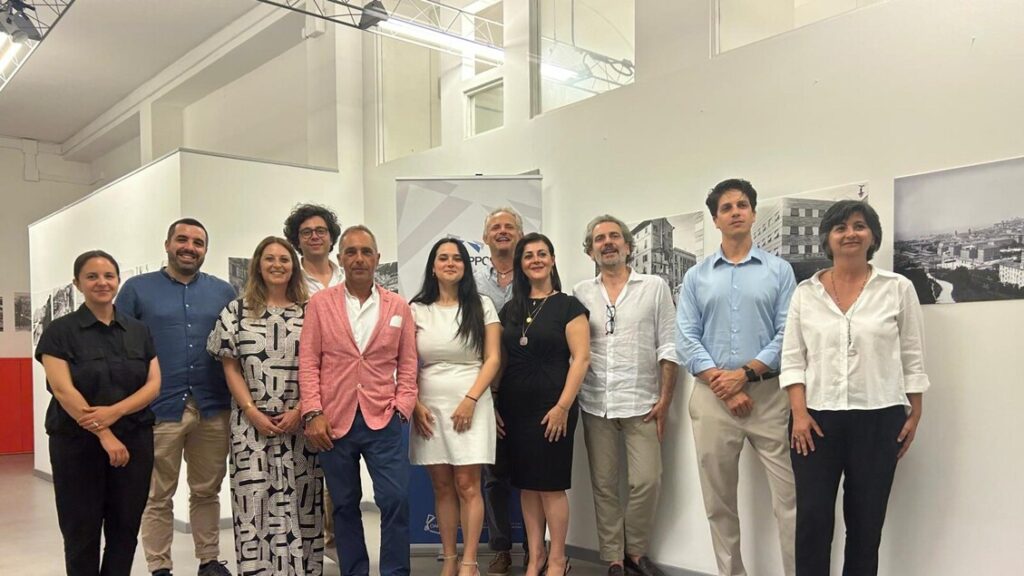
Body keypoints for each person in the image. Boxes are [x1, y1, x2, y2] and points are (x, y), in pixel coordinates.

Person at [781, 200, 929, 576]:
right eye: (840, 227)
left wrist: (915, 412)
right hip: (814, 422)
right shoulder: (805, 293)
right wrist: (799, 414)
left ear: (873, 236)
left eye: (859, 226)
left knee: (866, 525)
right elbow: (793, 359)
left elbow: (912, 355)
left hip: (879, 418)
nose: (850, 233)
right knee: (812, 522)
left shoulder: (897, 288)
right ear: (827, 239)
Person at [676, 179, 797, 576]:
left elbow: (788, 333)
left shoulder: (779, 271)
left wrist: (745, 374)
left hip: (770, 397)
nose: (735, 212)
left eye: (742, 205)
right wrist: (724, 385)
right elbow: (686, 338)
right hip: (712, 401)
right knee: (719, 503)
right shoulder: (696, 276)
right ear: (716, 219)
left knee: (790, 502)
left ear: (753, 213)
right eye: (726, 208)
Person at [117, 218, 237, 576]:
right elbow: (120, 347)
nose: (189, 247)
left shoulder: (223, 292)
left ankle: (209, 561)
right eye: (182, 239)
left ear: (205, 250)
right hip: (159, 408)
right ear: (168, 244)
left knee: (207, 490)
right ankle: (160, 567)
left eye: (198, 242)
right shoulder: (137, 290)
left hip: (213, 407)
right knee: (157, 494)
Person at [299, 225, 418, 576]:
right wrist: (313, 412)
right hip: (333, 421)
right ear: (340, 258)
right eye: (351, 252)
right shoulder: (320, 304)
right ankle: (354, 571)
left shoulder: (398, 306)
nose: (359, 258)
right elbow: (309, 361)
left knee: (395, 499)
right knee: (344, 504)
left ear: (377, 258)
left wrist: (402, 407)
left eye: (366, 252)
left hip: (383, 419)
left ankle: (395, 572)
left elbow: (408, 363)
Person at [36, 250, 161, 576]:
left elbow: (153, 385)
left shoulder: (138, 330)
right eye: (92, 276)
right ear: (77, 283)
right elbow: (63, 390)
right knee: (81, 531)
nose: (102, 282)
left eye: (108, 276)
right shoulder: (59, 331)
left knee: (125, 530)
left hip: (134, 441)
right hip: (77, 444)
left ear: (118, 281)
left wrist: (114, 413)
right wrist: (103, 432)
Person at [207, 236, 323, 575]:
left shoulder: (311, 311)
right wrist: (251, 411)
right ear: (258, 264)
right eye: (270, 258)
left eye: (284, 259)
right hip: (250, 426)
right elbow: (230, 366)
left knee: (304, 505)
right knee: (254, 505)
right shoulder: (236, 311)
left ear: (294, 267)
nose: (277, 265)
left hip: (300, 424)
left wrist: (300, 410)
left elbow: (323, 365)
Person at [572, 216, 677, 576]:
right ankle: (614, 558)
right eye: (599, 238)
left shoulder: (654, 287)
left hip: (642, 401)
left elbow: (669, 346)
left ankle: (635, 550)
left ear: (628, 246)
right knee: (603, 484)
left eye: (614, 236)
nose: (607, 242)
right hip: (595, 401)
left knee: (647, 480)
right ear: (591, 251)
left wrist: (665, 400)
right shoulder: (580, 293)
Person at [498, 232, 590, 576]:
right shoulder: (511, 309)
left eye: (542, 254)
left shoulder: (569, 306)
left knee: (550, 486)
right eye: (528, 255)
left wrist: (563, 406)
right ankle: (536, 557)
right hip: (514, 409)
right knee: (527, 485)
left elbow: (581, 359)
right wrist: (493, 403)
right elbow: (500, 360)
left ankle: (557, 559)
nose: (535, 260)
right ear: (520, 265)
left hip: (554, 408)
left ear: (552, 260)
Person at [409, 237, 502, 576]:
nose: (450, 263)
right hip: (429, 407)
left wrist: (471, 399)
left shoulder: (482, 305)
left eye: (457, 258)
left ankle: (470, 562)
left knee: (467, 484)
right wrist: (415, 404)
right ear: (433, 267)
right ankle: (449, 559)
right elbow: (405, 363)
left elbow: (493, 359)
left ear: (466, 266)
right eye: (443, 258)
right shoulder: (416, 308)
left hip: (472, 403)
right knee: (442, 486)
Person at [283, 203, 344, 555]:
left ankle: (334, 544)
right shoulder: (289, 279)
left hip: (342, 387)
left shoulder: (347, 275)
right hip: (297, 383)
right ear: (297, 240)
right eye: (306, 232)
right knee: (303, 476)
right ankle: (306, 548)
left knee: (339, 476)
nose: (315, 237)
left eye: (321, 231)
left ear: (332, 238)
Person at [472, 206, 527, 576]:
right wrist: (486, 396)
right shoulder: (473, 281)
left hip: (530, 385)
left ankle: (538, 550)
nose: (503, 231)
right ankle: (501, 548)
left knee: (536, 475)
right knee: (493, 476)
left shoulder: (536, 273)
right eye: (496, 227)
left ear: (519, 235)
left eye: (509, 226)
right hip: (488, 384)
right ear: (485, 237)